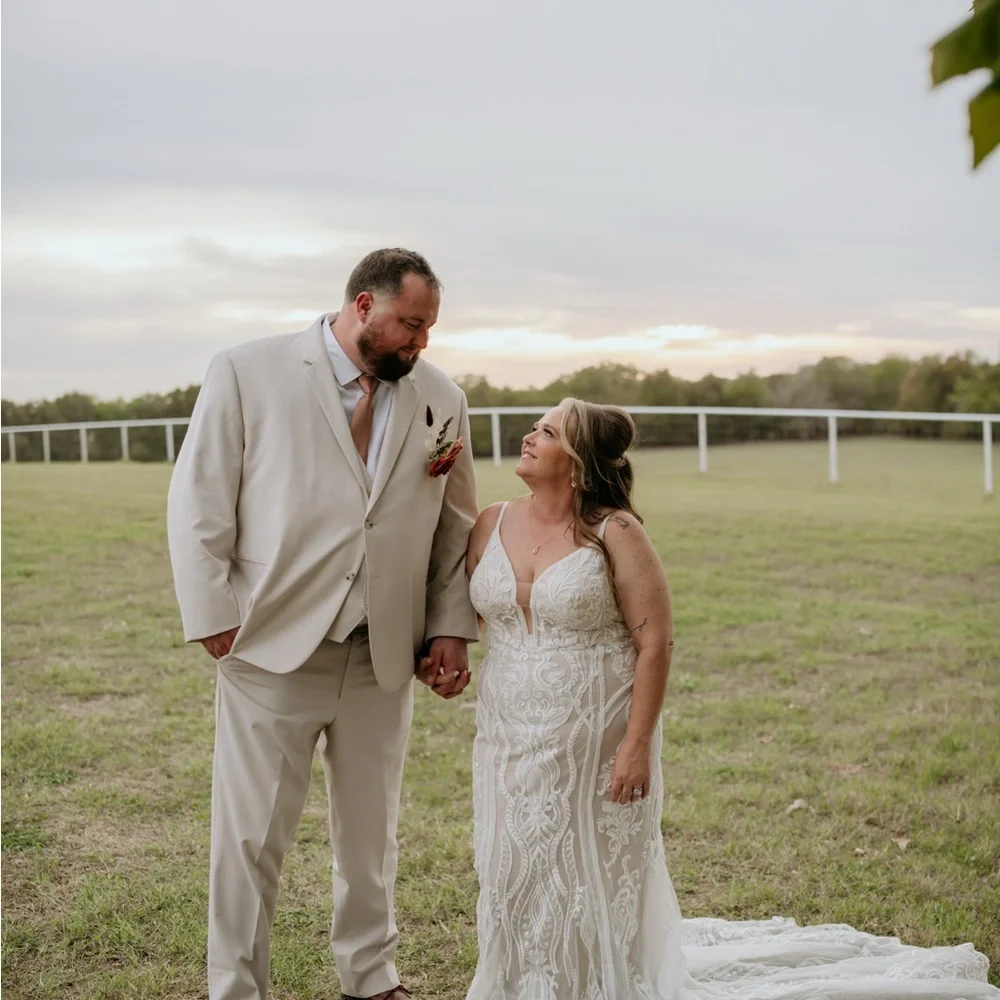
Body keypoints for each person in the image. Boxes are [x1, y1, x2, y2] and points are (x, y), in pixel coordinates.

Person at [463, 398, 999, 999]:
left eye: (548, 431)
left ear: (580, 460)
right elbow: (466, 616)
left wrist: (636, 747)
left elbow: (656, 640)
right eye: (535, 427)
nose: (529, 437)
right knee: (510, 862)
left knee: (584, 870)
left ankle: (593, 983)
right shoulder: (490, 521)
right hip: (507, 730)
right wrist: (443, 653)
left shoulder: (615, 531)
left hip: (596, 737)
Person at [166, 248, 478, 1000]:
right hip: (271, 646)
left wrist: (448, 627)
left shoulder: (443, 398)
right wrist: (212, 610)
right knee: (250, 838)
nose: (420, 343)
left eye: (430, 328)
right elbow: (199, 495)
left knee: (372, 835)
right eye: (410, 324)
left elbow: (453, 522)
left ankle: (371, 977)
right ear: (363, 306)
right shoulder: (248, 371)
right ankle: (235, 987)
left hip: (384, 657)